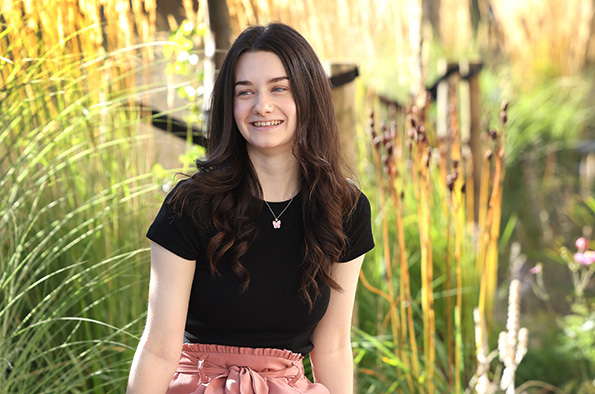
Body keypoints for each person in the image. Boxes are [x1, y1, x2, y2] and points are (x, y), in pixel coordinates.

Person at [126, 23, 374, 394]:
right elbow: (159, 348)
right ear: (231, 104)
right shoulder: (190, 205)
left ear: (308, 95)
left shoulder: (344, 208)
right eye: (246, 92)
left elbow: (334, 345)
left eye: (279, 88)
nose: (262, 106)